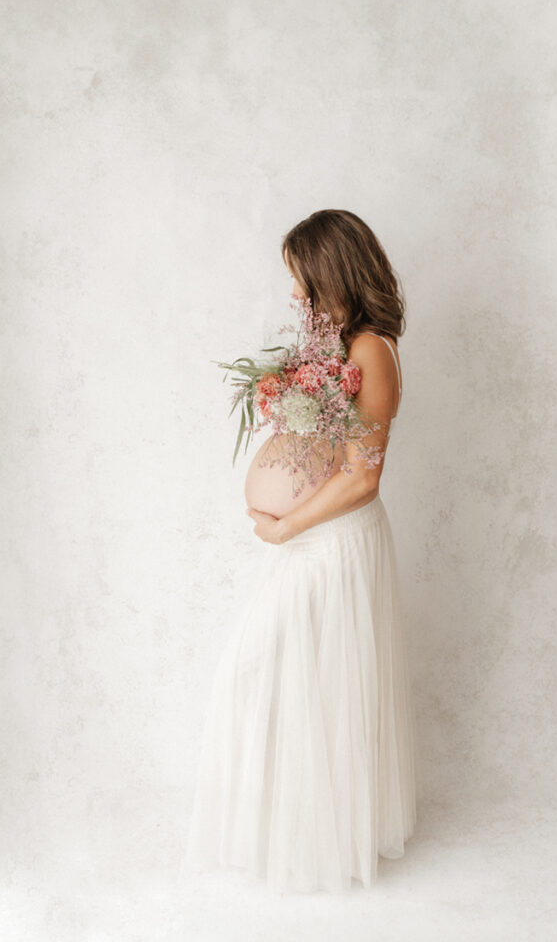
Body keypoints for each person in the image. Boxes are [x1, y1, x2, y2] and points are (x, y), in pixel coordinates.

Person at [184, 209, 422, 894]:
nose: (294, 293)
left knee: (284, 675)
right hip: (313, 536)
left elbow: (364, 476)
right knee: (296, 678)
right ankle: (294, 834)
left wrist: (286, 527)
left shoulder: (371, 350)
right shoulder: (338, 344)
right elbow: (323, 442)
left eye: (302, 278)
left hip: (331, 544)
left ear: (334, 273)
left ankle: (319, 845)